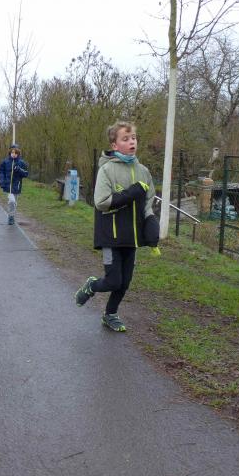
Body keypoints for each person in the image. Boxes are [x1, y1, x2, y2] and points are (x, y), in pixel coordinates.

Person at [74, 120, 160, 332]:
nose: (132, 142)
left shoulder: (144, 171)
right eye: (125, 139)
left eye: (134, 138)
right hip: (111, 237)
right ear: (114, 145)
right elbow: (101, 202)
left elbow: (148, 200)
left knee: (125, 283)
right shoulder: (107, 170)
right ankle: (92, 285)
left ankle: (110, 314)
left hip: (132, 237)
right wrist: (131, 192)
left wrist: (150, 222)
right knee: (113, 281)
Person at [0, 144, 29, 225]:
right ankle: (11, 217)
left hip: (17, 186)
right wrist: (2, 181)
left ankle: (12, 215)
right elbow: (1, 172)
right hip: (8, 186)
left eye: (16, 153)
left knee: (14, 203)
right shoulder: (5, 162)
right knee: (11, 201)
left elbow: (26, 174)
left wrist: (19, 170)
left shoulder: (21, 163)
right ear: (10, 152)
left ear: (18, 153)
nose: (14, 154)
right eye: (12, 152)